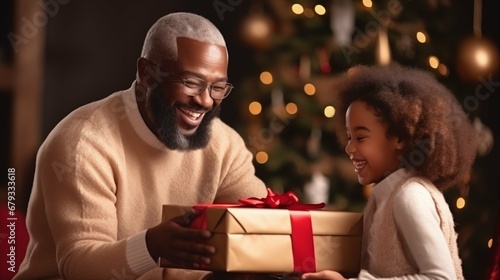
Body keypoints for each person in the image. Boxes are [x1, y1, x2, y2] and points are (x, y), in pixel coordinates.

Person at [15, 12, 269, 280]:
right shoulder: (84, 142)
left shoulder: (224, 144)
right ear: (147, 74)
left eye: (218, 87)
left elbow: (261, 229)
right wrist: (150, 246)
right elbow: (79, 268)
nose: (206, 101)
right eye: (191, 83)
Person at [302, 65, 476, 280]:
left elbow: (441, 278)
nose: (349, 148)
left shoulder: (410, 196)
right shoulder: (387, 196)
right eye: (349, 137)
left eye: (361, 137)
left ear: (400, 138)